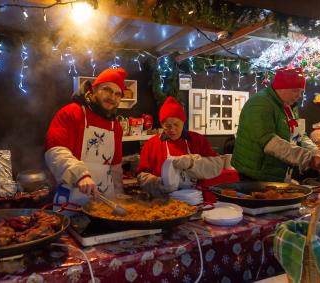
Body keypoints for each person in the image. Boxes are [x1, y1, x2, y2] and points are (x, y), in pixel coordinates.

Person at [44, 68, 126, 210]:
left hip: (105, 202)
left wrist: (119, 196)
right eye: (107, 90)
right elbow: (55, 151)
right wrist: (81, 175)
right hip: (72, 200)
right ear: (93, 89)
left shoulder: (116, 127)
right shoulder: (72, 112)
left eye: (117, 94)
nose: (112, 97)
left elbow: (115, 167)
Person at [232, 67, 320, 182]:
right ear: (281, 88)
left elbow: (299, 135)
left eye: (301, 91)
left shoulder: (289, 106)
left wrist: (316, 153)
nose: (299, 95)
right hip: (256, 173)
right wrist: (308, 158)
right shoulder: (260, 104)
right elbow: (269, 142)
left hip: (277, 172)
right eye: (295, 90)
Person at [136, 96, 223, 197]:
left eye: (176, 124)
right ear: (161, 124)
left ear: (183, 121)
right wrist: (157, 183)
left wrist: (192, 163)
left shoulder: (197, 140)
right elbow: (141, 176)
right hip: (163, 202)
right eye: (168, 126)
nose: (172, 129)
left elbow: (217, 166)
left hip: (195, 199)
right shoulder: (152, 144)